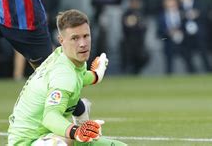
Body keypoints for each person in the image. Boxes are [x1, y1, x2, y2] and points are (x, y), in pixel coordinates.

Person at [8, 9, 127, 145]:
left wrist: (96, 75)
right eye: (75, 38)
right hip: (29, 142)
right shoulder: (63, 74)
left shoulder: (66, 56)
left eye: (86, 36)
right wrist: (77, 131)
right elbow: (50, 117)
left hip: (48, 135)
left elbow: (80, 77)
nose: (82, 43)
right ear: (61, 40)